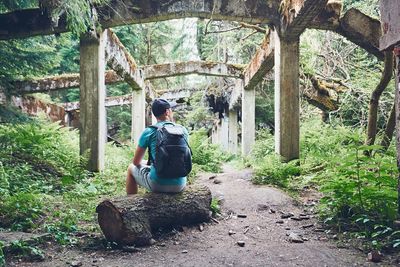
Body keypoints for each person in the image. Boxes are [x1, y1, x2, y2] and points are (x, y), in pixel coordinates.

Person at [126, 98, 189, 194]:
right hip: (180, 184)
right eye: (171, 110)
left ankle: (130, 203)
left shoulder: (149, 131)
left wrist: (149, 162)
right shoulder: (182, 130)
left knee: (131, 168)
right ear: (167, 112)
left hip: (158, 184)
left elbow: (136, 162)